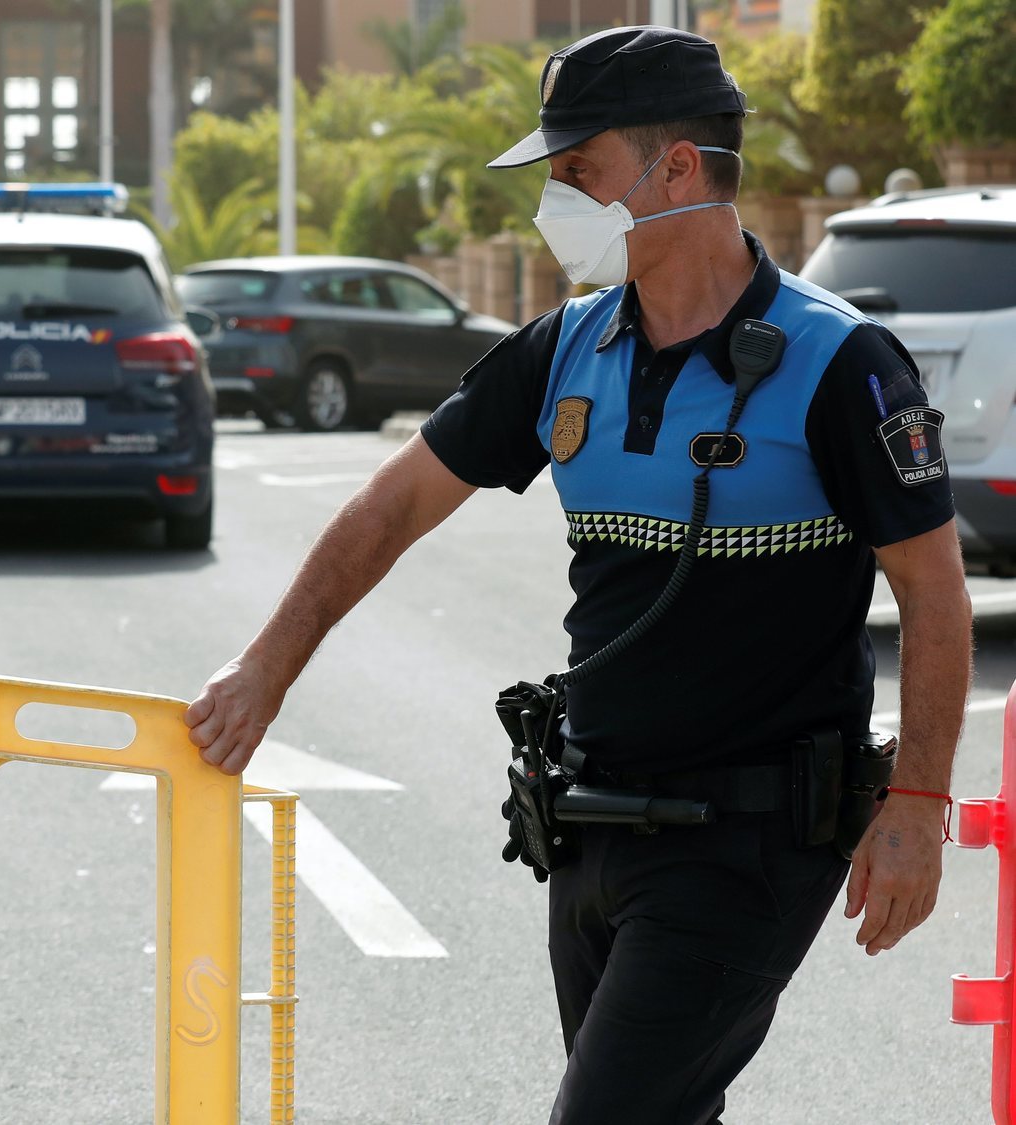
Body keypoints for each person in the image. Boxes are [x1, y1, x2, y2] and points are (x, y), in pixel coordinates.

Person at [185, 24, 972, 1125]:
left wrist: (918, 803)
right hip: (593, 826)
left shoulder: (837, 363)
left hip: (746, 845)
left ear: (678, 170)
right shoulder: (566, 348)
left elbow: (933, 594)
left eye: (577, 174)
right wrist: (267, 668)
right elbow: (393, 505)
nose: (556, 203)